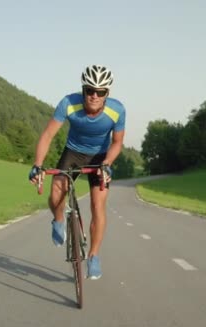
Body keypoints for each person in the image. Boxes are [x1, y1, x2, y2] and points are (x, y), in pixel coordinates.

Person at [28, 64, 125, 280]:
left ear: (107, 93)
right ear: (83, 90)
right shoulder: (68, 104)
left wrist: (107, 163)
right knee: (56, 193)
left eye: (100, 92)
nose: (94, 96)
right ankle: (59, 219)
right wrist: (37, 164)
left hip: (100, 156)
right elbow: (47, 136)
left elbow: (117, 142)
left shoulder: (117, 110)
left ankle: (93, 256)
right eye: (89, 90)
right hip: (73, 152)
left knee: (98, 205)